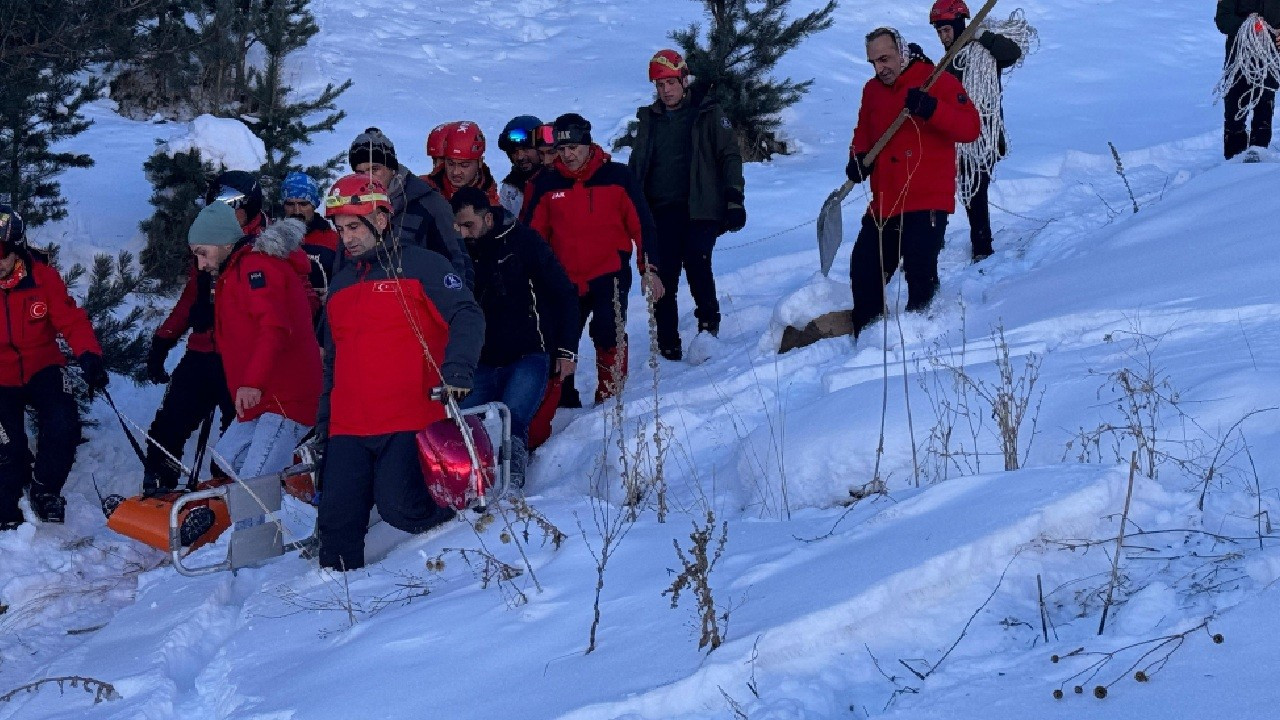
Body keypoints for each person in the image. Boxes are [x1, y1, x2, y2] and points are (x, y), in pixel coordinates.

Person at [315, 175, 484, 571]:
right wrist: (324, 424)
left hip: (409, 417)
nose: (347, 238)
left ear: (382, 219)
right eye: (340, 230)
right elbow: (332, 365)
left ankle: (469, 515)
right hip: (348, 426)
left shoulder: (424, 265)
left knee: (401, 507)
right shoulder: (339, 286)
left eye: (354, 226)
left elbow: (466, 314)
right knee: (336, 524)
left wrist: (458, 369)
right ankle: (336, 612)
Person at [845, 28, 979, 338]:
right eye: (873, 63)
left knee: (920, 272)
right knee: (865, 269)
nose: (880, 68)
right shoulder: (872, 90)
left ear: (902, 52)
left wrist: (932, 109)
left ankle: (924, 337)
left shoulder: (936, 80)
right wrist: (858, 158)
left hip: (926, 199)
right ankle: (869, 338)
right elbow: (863, 132)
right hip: (884, 202)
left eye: (885, 59)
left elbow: (970, 127)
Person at [142, 170, 269, 493]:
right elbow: (191, 296)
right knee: (169, 424)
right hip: (202, 351)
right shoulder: (210, 238)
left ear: (248, 206)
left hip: (241, 358)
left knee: (236, 434)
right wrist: (163, 340)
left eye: (228, 205)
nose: (220, 210)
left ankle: (228, 493)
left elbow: (278, 316)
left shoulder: (264, 250)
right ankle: (160, 484)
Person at [524, 113, 664, 407]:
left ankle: (610, 398)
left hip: (608, 272)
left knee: (608, 332)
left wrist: (648, 269)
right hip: (563, 279)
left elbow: (643, 225)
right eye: (561, 149)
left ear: (588, 144)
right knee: (561, 339)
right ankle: (562, 402)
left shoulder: (618, 177)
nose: (568, 155)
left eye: (573, 147)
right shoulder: (546, 184)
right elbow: (532, 238)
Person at [450, 187, 577, 488]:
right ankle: (462, 486)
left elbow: (565, 293)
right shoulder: (458, 252)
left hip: (528, 353)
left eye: (469, 225)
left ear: (488, 218)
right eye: (457, 227)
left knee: (513, 421)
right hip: (481, 360)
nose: (463, 233)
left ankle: (510, 487)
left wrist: (567, 350)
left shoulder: (524, 242)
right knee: (463, 425)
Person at [186, 202, 321, 479]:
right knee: (226, 460)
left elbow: (274, 327)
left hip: (285, 397)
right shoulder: (233, 271)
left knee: (253, 481)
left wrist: (251, 383)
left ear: (224, 243)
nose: (201, 264)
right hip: (262, 397)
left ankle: (268, 513)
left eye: (203, 253)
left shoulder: (255, 269)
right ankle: (292, 486)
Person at [628, 49, 746, 360]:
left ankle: (708, 326)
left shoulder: (707, 113)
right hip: (660, 210)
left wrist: (734, 197)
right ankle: (667, 341)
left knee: (697, 260)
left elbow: (729, 156)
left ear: (683, 79)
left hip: (700, 206)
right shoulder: (649, 120)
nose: (665, 90)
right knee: (663, 274)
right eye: (659, 84)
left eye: (670, 82)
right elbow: (637, 164)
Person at [0, 206, 106, 527]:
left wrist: (89, 355)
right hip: (1, 377)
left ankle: (45, 488)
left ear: (17, 251)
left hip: (42, 364)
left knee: (63, 423)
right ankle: (12, 482)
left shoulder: (42, 277)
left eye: (2, 254)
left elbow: (71, 320)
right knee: (7, 449)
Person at [931, 0, 1022, 262]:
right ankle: (934, 245)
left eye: (946, 30)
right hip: (954, 137)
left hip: (984, 137)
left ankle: (982, 247)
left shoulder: (983, 52)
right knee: (941, 189)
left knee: (975, 191)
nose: (942, 36)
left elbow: (1011, 52)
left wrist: (981, 35)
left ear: (960, 25)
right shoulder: (949, 60)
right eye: (939, 32)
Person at [347, 127, 472, 285]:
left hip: (421, 301)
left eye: (375, 169)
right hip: (368, 301)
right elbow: (343, 267)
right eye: (361, 172)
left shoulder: (429, 203)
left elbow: (458, 262)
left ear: (392, 168)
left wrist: (459, 305)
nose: (368, 178)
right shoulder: (352, 207)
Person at [1216, 0, 1280, 159]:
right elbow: (1223, 20)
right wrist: (1247, 26)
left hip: (1269, 59)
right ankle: (1233, 160)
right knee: (1234, 111)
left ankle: (1258, 155)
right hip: (1238, 59)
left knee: (1264, 108)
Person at [281, 170, 338, 302]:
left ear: (314, 205)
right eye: (290, 204)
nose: (296, 211)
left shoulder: (333, 240)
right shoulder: (274, 240)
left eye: (303, 204)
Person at [425, 121, 501, 205]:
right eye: (450, 164)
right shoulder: (423, 188)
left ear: (479, 162)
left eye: (464, 165)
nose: (456, 172)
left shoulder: (491, 204)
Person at [497, 115, 544, 217]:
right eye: (514, 151)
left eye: (526, 149)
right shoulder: (510, 188)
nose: (520, 157)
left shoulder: (559, 182)